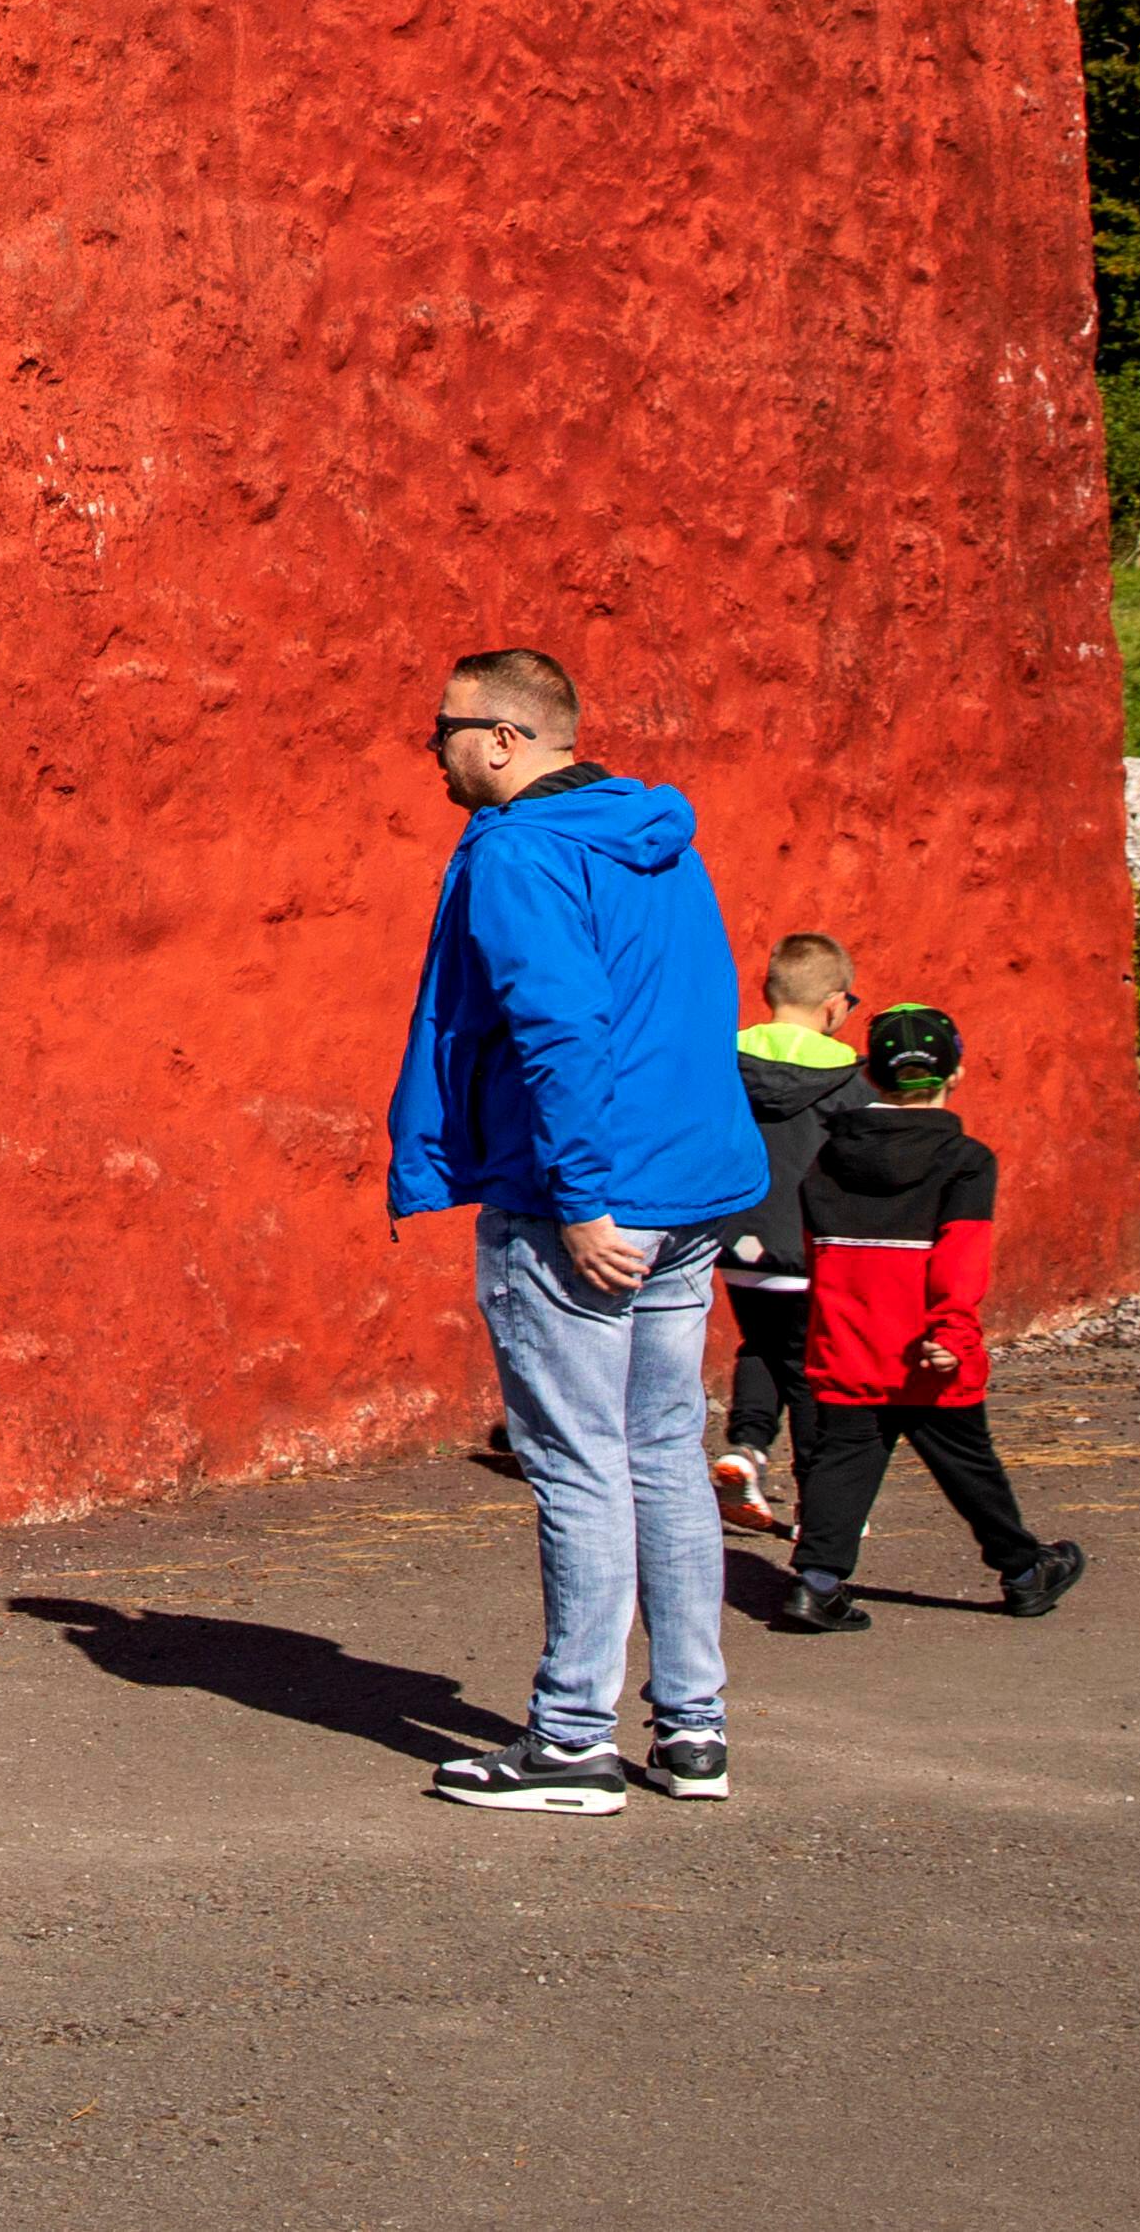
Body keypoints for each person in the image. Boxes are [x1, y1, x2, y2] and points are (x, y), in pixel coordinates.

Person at [385, 646, 772, 1813]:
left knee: (577, 1466)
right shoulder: (657, 838)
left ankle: (568, 1743)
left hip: (582, 1203)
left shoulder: (517, 853)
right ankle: (692, 1729)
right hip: (690, 1191)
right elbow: (688, 1007)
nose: (434, 752)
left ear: (501, 737)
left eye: (442, 730)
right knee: (661, 1454)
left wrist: (584, 1198)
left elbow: (560, 1029)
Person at [761, 1001, 1089, 1637]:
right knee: (967, 1462)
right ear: (956, 1074)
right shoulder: (965, 1160)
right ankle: (1023, 1571)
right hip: (926, 1346)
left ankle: (816, 1584)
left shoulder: (827, 1159)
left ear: (871, 1077)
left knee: (842, 1459)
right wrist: (953, 1332)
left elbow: (824, 1256)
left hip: (849, 1342)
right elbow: (959, 1259)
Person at [718, 935, 871, 1529]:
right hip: (808, 1251)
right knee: (811, 1371)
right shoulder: (849, 1082)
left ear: (767, 992)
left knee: (760, 1345)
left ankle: (747, 1448)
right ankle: (820, 1504)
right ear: (835, 1004)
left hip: (734, 1243)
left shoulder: (723, 1060)